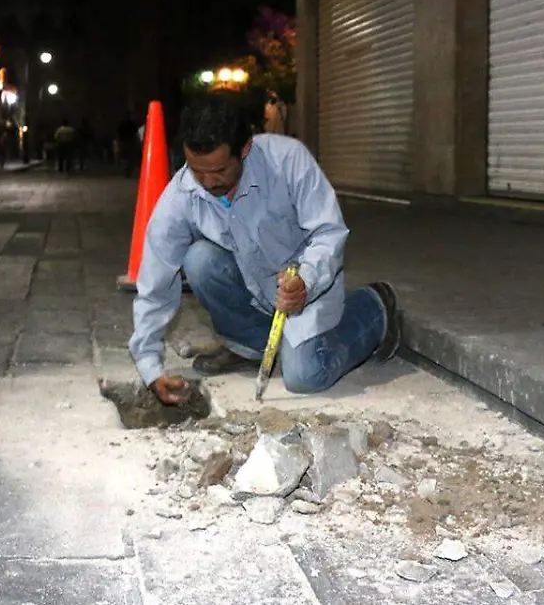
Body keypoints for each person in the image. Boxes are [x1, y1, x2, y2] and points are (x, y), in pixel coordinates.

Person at [128, 92, 402, 405]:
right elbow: (155, 283)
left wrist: (306, 281)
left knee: (305, 377)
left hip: (305, 291)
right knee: (199, 261)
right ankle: (252, 349)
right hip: (254, 293)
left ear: (245, 148)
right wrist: (150, 368)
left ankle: (373, 307)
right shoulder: (182, 194)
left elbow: (328, 232)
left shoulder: (287, 160)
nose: (206, 181)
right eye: (196, 170)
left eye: (218, 171)